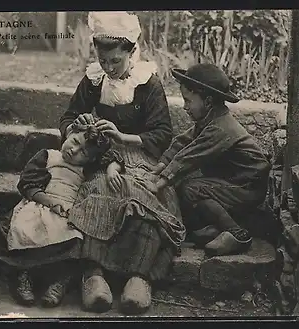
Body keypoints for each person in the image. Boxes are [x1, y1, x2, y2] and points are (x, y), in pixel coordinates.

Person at [59, 11, 185, 315]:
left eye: (115, 61)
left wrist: (124, 137)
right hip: (100, 158)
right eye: (104, 61)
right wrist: (77, 125)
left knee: (145, 196)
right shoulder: (93, 80)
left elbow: (163, 134)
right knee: (99, 193)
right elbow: (66, 119)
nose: (109, 68)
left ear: (132, 51)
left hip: (141, 156)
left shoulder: (147, 84)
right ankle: (94, 275)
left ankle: (138, 277)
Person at [0, 122, 124, 308]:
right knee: (26, 230)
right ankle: (23, 276)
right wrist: (50, 203)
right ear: (70, 133)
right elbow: (28, 184)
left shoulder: (86, 170)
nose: (74, 150)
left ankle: (59, 282)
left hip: (66, 212)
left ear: (90, 159)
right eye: (74, 141)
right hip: (40, 204)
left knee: (74, 238)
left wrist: (112, 167)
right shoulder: (49, 156)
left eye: (83, 152)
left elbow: (113, 155)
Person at [142, 64, 272, 257]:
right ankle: (217, 227)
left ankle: (237, 233)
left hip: (247, 186)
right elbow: (182, 143)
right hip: (230, 182)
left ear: (208, 101)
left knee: (191, 189)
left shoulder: (220, 128)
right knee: (191, 189)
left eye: (188, 101)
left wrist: (159, 183)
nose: (185, 107)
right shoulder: (208, 120)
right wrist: (157, 168)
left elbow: (188, 157)